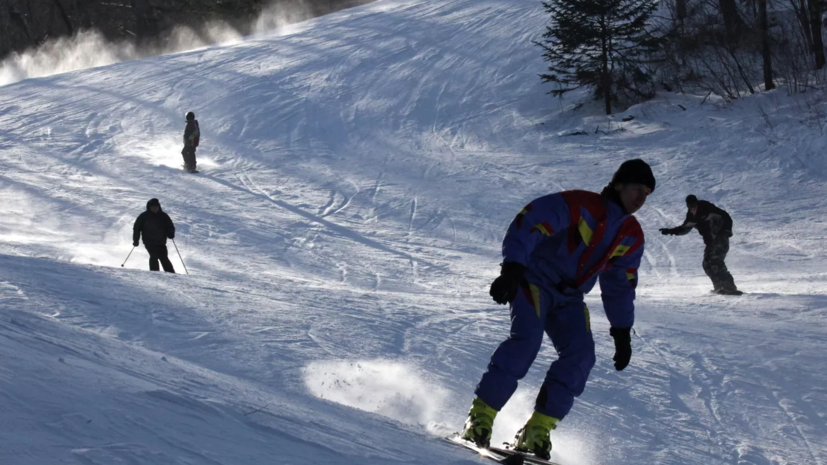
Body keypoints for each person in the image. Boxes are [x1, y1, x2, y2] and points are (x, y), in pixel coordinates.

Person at [460, 159, 655, 460]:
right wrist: (512, 267)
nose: (641, 198)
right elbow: (530, 222)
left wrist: (621, 331)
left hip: (569, 298)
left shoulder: (630, 234)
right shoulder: (582, 205)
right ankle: (480, 418)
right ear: (618, 185)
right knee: (526, 341)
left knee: (581, 355)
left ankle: (536, 430)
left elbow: (620, 284)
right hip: (533, 282)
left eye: (647, 193)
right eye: (636, 189)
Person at [659, 195, 741, 295]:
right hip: (710, 242)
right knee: (707, 264)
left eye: (694, 205)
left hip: (720, 239)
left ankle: (730, 287)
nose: (692, 208)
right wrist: (671, 231)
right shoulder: (692, 216)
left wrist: (726, 231)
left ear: (697, 203)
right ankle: (719, 287)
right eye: (690, 206)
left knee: (716, 261)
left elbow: (726, 217)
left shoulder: (708, 209)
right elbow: (685, 228)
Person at [133, 198, 176, 273]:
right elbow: (137, 229)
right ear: (149, 207)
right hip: (149, 242)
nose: (155, 208)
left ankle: (171, 274)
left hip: (161, 242)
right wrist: (136, 240)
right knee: (154, 256)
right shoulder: (143, 216)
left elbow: (170, 226)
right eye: (153, 206)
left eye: (156, 206)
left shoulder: (163, 216)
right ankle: (155, 273)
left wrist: (171, 233)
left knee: (164, 257)